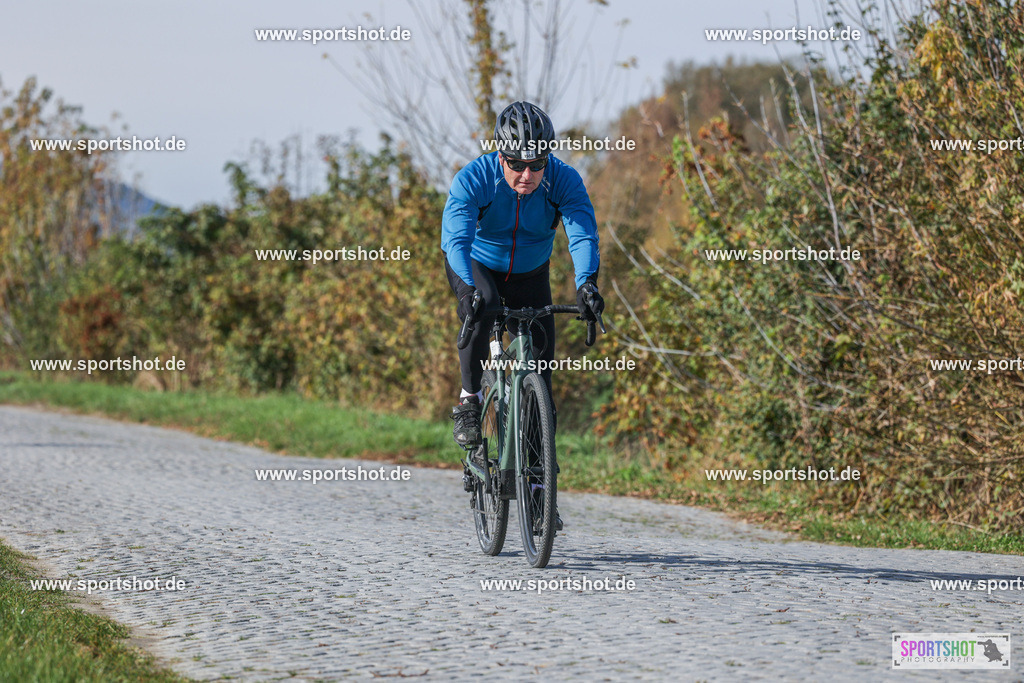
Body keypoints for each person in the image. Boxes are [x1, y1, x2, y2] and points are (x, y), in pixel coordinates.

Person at [441, 100, 605, 463]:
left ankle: (537, 480)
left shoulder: (564, 180)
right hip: (478, 266)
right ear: (501, 156)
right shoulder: (474, 178)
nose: (527, 175)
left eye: (537, 164)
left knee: (541, 376)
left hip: (531, 274)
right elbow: (456, 240)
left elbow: (582, 236)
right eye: (516, 164)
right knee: (483, 305)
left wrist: (586, 284)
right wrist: (466, 290)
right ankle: (470, 399)